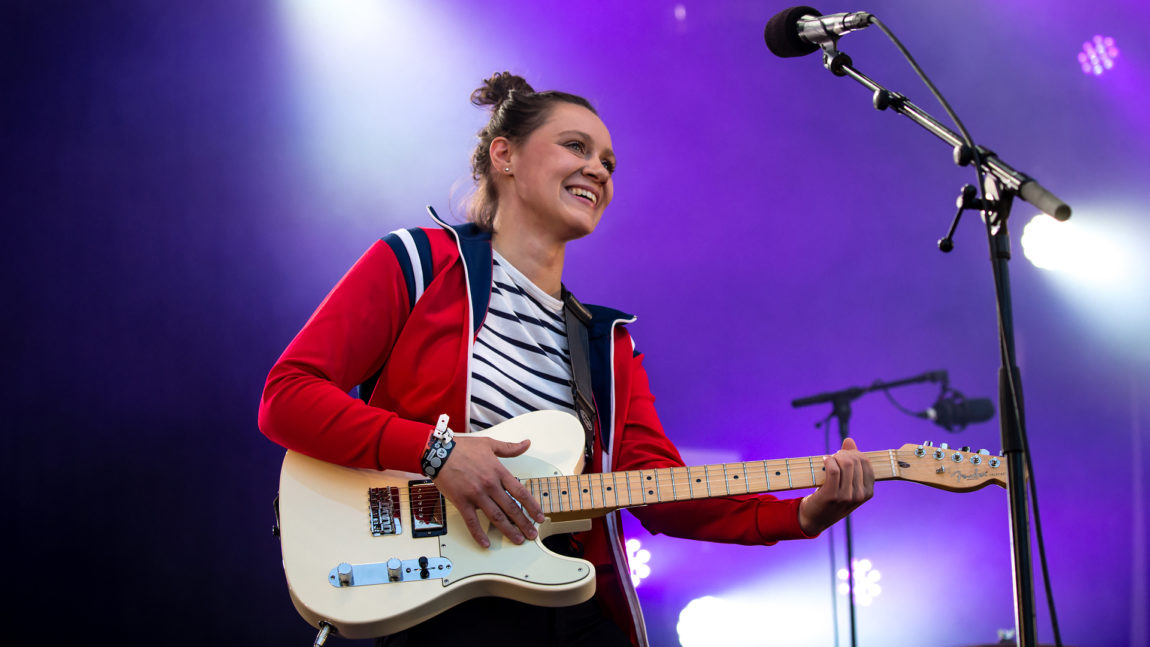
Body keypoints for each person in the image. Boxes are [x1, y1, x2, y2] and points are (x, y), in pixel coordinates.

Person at [258, 71, 874, 647]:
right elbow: (287, 396)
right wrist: (436, 452)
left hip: (558, 601)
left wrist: (804, 511)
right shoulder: (418, 262)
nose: (598, 170)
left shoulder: (607, 345)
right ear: (505, 157)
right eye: (576, 147)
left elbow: (662, 488)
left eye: (608, 161)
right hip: (426, 594)